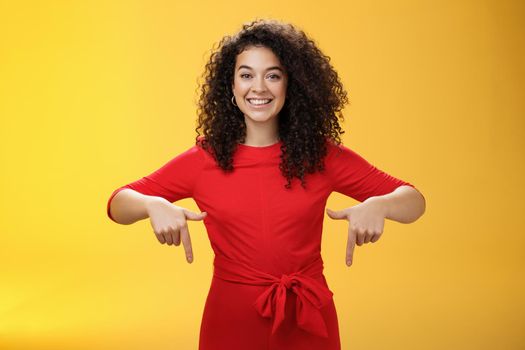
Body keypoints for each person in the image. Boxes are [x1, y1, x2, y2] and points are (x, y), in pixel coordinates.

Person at [106, 18, 426, 350]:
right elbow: (118, 204)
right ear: (230, 86)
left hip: (308, 318)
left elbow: (414, 201)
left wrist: (381, 205)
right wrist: (151, 204)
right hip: (230, 321)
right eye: (246, 75)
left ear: (292, 86)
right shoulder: (203, 159)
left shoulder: (321, 155)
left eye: (272, 75)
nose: (258, 87)